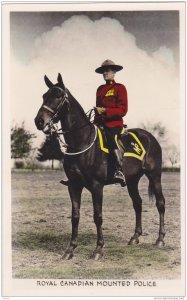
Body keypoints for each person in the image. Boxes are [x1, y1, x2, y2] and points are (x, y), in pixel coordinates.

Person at [94, 59, 128, 185]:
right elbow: (98, 111)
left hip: (114, 124)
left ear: (114, 72)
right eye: (103, 71)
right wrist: (94, 122)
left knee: (111, 139)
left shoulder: (120, 88)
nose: (105, 73)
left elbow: (123, 110)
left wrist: (105, 111)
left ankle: (120, 171)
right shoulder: (99, 89)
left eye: (107, 71)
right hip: (100, 124)